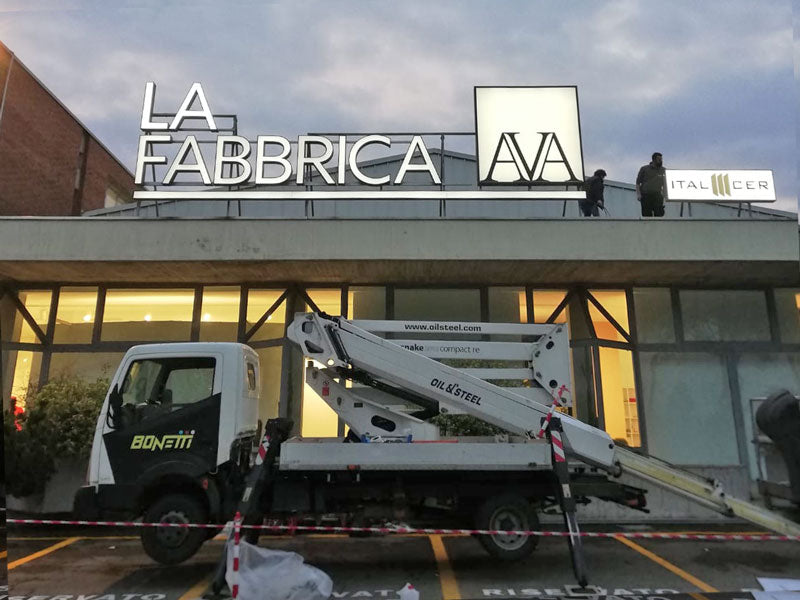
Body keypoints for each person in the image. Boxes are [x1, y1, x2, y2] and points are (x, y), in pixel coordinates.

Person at [636, 152, 666, 217]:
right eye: (659, 159)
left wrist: (664, 194)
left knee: (659, 214)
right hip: (646, 195)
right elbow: (638, 183)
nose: (661, 161)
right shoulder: (644, 169)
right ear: (654, 160)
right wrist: (639, 194)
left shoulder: (663, 170)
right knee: (647, 215)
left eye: (661, 159)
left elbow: (665, 183)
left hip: (657, 195)